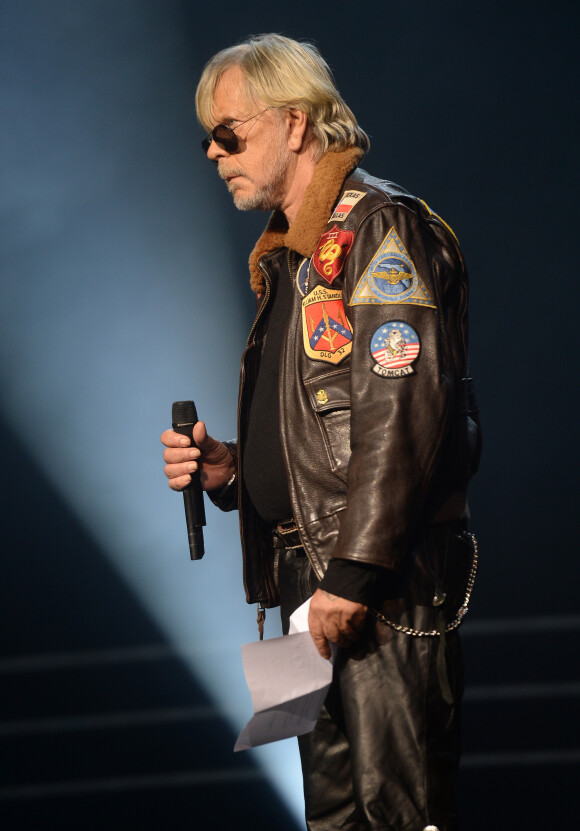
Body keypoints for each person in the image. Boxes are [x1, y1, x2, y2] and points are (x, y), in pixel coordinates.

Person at [161, 33, 481, 831]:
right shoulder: (292, 259)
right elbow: (320, 435)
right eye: (208, 135)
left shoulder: (380, 231)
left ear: (296, 124)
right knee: (333, 819)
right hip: (311, 585)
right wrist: (230, 473)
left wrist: (352, 573)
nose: (212, 150)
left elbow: (404, 416)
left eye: (228, 131)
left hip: (375, 587)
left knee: (396, 815)